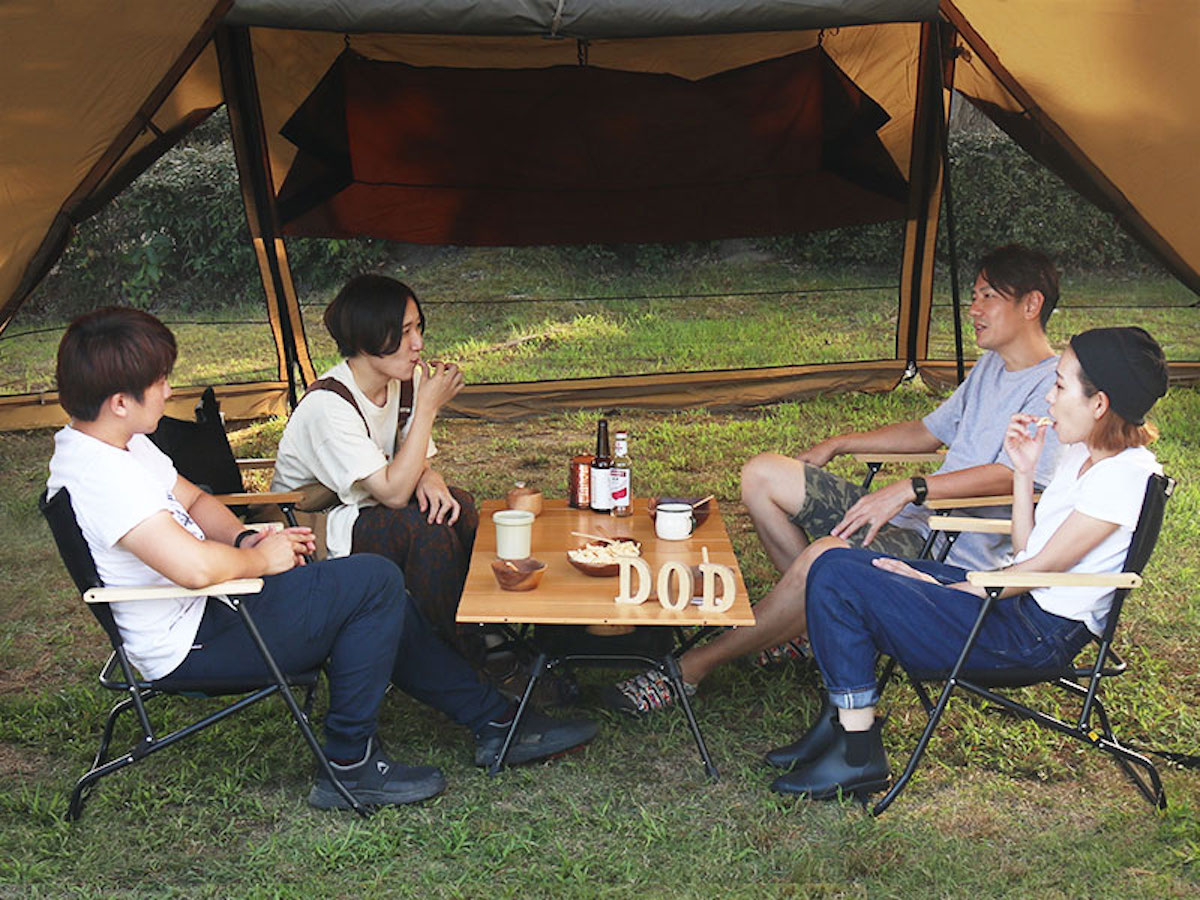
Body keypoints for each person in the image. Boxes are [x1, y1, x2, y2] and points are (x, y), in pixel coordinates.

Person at [48, 307, 596, 811]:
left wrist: (243, 540)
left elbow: (194, 499)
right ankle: (349, 764)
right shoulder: (102, 478)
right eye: (159, 382)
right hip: (193, 640)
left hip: (217, 607)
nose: (168, 391)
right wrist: (267, 558)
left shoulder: (118, 442)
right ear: (120, 401)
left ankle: (495, 720)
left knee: (376, 591)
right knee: (375, 582)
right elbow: (192, 569)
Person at [606, 245, 1065, 714]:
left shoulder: (1057, 386)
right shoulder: (992, 366)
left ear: (1030, 305)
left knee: (825, 556)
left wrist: (912, 488)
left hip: (948, 547)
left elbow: (1017, 477)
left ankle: (691, 668)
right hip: (913, 521)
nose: (973, 309)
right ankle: (810, 623)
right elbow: (929, 432)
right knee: (763, 474)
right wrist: (840, 442)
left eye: (988, 296)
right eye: (974, 295)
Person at [769, 326, 1168, 799]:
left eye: (1060, 385)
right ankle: (841, 721)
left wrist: (943, 589)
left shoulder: (1123, 477)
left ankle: (858, 753)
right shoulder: (1086, 455)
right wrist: (1023, 472)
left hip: (1031, 635)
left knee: (838, 574)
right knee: (837, 560)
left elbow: (1038, 569)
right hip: (1016, 604)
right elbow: (1029, 552)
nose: (1049, 396)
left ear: (1098, 404)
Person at [271, 275, 482, 661]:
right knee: (425, 529)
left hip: (364, 507)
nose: (418, 343)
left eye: (418, 327)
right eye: (403, 333)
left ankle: (487, 631)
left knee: (458, 506)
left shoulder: (404, 380)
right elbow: (394, 493)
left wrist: (432, 477)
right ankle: (461, 658)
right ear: (368, 338)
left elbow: (415, 460)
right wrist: (430, 408)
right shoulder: (328, 405)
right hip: (313, 531)